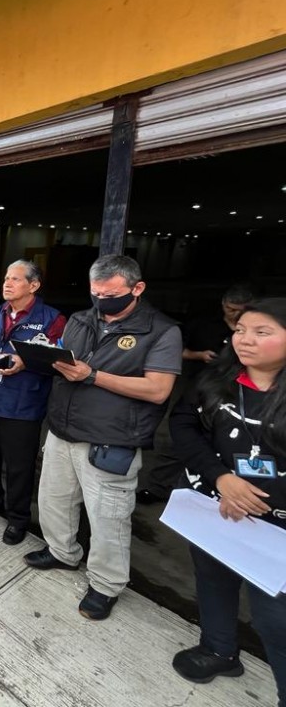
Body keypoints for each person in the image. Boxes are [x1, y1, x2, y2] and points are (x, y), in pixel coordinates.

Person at [25, 255, 182, 621]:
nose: (101, 300)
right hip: (64, 430)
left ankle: (106, 583)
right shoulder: (81, 319)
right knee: (54, 501)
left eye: (110, 294)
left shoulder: (161, 331)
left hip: (112, 439)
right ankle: (62, 552)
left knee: (108, 517)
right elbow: (63, 361)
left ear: (137, 288)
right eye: (95, 292)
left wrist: (92, 375)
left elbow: (158, 390)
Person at [168, 298, 286, 701]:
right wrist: (222, 479)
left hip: (276, 529)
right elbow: (184, 425)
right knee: (213, 582)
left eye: (261, 332)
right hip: (214, 508)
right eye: (240, 331)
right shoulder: (216, 379)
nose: (245, 340)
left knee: (275, 619)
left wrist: (259, 498)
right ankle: (219, 649)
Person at [0, 260, 66, 545]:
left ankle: (18, 518)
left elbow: (59, 361)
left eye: (16, 279)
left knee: (19, 465)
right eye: (6, 278)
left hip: (23, 404)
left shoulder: (53, 319)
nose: (7, 284)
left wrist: (27, 361)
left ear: (34, 285)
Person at [139, 283, 256, 505]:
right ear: (223, 305)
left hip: (241, 397)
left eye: (241, 309)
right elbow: (174, 351)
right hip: (201, 391)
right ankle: (158, 489)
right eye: (231, 309)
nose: (236, 314)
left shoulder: (254, 334)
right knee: (179, 442)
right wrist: (198, 355)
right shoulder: (204, 325)